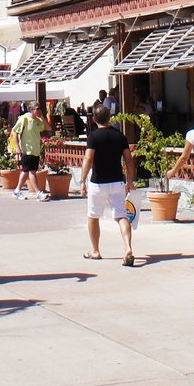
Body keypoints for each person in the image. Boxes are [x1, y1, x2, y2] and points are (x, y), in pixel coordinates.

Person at [80, 104, 136, 266]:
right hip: (117, 181)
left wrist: (83, 180)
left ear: (94, 119)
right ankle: (128, 248)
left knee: (93, 216)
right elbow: (129, 160)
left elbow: (88, 159)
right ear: (110, 117)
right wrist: (130, 181)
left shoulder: (93, 137)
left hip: (98, 183)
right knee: (121, 216)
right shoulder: (120, 136)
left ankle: (95, 251)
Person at [10, 99, 49, 201]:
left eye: (40, 108)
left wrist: (43, 118)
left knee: (26, 171)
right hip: (27, 150)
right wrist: (17, 147)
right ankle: (38, 193)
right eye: (37, 109)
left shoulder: (38, 120)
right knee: (32, 172)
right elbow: (15, 131)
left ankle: (17, 190)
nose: (39, 110)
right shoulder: (24, 119)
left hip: (35, 150)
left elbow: (48, 128)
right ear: (31, 110)